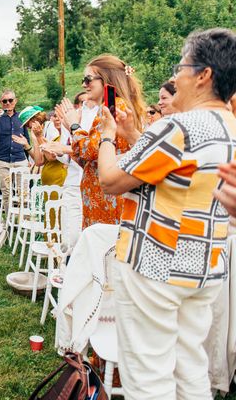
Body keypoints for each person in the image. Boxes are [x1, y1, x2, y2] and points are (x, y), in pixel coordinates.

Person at [98, 28, 236, 399]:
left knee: (148, 377)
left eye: (182, 67)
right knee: (190, 366)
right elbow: (171, 174)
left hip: (157, 264)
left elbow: (111, 180)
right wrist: (134, 136)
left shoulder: (179, 126)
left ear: (204, 75)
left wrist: (109, 136)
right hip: (205, 266)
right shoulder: (231, 127)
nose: (176, 78)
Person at [57, 54, 146, 228]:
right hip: (101, 197)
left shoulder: (113, 107)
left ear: (106, 79)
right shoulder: (109, 107)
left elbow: (90, 151)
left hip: (107, 201)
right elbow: (92, 160)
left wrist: (74, 126)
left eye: (88, 79)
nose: (84, 85)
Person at [0, 89, 32, 218]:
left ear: (15, 101)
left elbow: (26, 139)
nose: (8, 103)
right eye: (4, 101)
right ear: (1, 103)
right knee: (7, 193)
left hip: (20, 159)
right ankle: (10, 222)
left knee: (24, 193)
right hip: (2, 161)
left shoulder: (21, 118)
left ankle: (24, 221)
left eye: (10, 100)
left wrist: (29, 159)